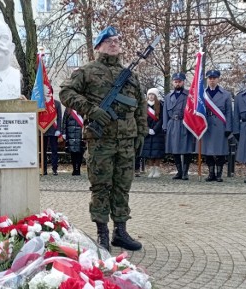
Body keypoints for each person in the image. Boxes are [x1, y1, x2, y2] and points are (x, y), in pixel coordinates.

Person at [60, 26, 146, 252]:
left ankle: (120, 231)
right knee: (101, 187)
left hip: (126, 140)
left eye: (117, 40)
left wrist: (141, 132)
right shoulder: (87, 71)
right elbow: (66, 93)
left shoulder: (131, 75)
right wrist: (91, 109)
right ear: (99, 46)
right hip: (101, 141)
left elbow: (140, 105)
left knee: (122, 185)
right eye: (109, 41)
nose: (114, 43)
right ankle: (102, 234)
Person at [199, 70, 233, 182]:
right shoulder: (201, 94)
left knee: (220, 151)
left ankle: (219, 174)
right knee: (207, 151)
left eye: (214, 78)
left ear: (218, 79)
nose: (212, 80)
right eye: (210, 78)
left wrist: (228, 128)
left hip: (220, 125)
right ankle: (211, 173)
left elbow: (229, 112)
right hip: (206, 125)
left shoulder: (226, 94)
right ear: (207, 80)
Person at [163, 72, 194, 180]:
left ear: (183, 82)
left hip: (185, 123)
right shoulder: (168, 97)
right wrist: (165, 126)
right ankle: (179, 172)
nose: (177, 84)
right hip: (172, 124)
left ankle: (185, 172)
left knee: (186, 149)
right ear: (172, 82)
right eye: (175, 82)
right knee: (174, 149)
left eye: (179, 82)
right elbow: (165, 113)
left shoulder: (189, 95)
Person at [140, 88, 165, 178]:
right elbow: (142, 118)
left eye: (153, 95)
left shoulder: (160, 105)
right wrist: (147, 129)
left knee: (157, 152)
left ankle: (157, 170)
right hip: (148, 132)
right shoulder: (144, 106)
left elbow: (161, 119)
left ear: (156, 96)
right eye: (149, 94)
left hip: (157, 133)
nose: (151, 96)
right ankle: (151, 170)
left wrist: (155, 129)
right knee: (149, 153)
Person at [42, 94, 62, 176]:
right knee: (43, 151)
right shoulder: (41, 103)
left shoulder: (56, 103)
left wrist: (58, 130)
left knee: (54, 150)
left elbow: (59, 117)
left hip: (54, 130)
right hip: (43, 130)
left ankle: (54, 169)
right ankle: (44, 169)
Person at [61, 108, 85, 176]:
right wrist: (64, 133)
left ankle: (78, 169)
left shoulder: (82, 107)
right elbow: (64, 121)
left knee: (80, 152)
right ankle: (74, 168)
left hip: (80, 133)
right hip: (70, 133)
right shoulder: (68, 109)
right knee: (73, 153)